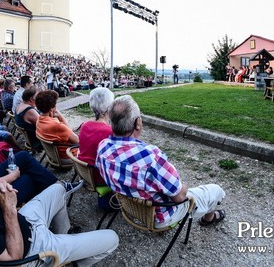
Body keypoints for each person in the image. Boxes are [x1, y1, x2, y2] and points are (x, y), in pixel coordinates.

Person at [0, 136, 118, 266]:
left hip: (25, 221)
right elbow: (15, 258)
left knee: (58, 189)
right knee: (112, 238)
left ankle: (63, 236)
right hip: (32, 249)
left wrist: (0, 194)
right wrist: (9, 208)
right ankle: (71, 259)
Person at [97, 95, 226, 229]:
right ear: (138, 123)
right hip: (159, 218)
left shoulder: (102, 147)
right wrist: (184, 186)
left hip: (130, 209)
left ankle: (209, 216)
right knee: (215, 191)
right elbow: (180, 197)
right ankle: (209, 218)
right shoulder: (150, 157)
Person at [77, 87, 113, 184]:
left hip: (84, 172)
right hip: (100, 177)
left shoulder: (84, 126)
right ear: (109, 107)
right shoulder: (110, 132)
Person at [35, 90, 78, 160]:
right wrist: (61, 116)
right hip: (67, 157)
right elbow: (77, 141)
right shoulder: (56, 125)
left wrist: (58, 116)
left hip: (53, 156)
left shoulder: (39, 120)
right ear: (52, 108)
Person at [14, 86, 40, 151]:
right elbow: (44, 126)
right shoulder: (29, 111)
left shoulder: (20, 105)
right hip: (38, 142)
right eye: (37, 97)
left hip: (29, 139)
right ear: (31, 99)